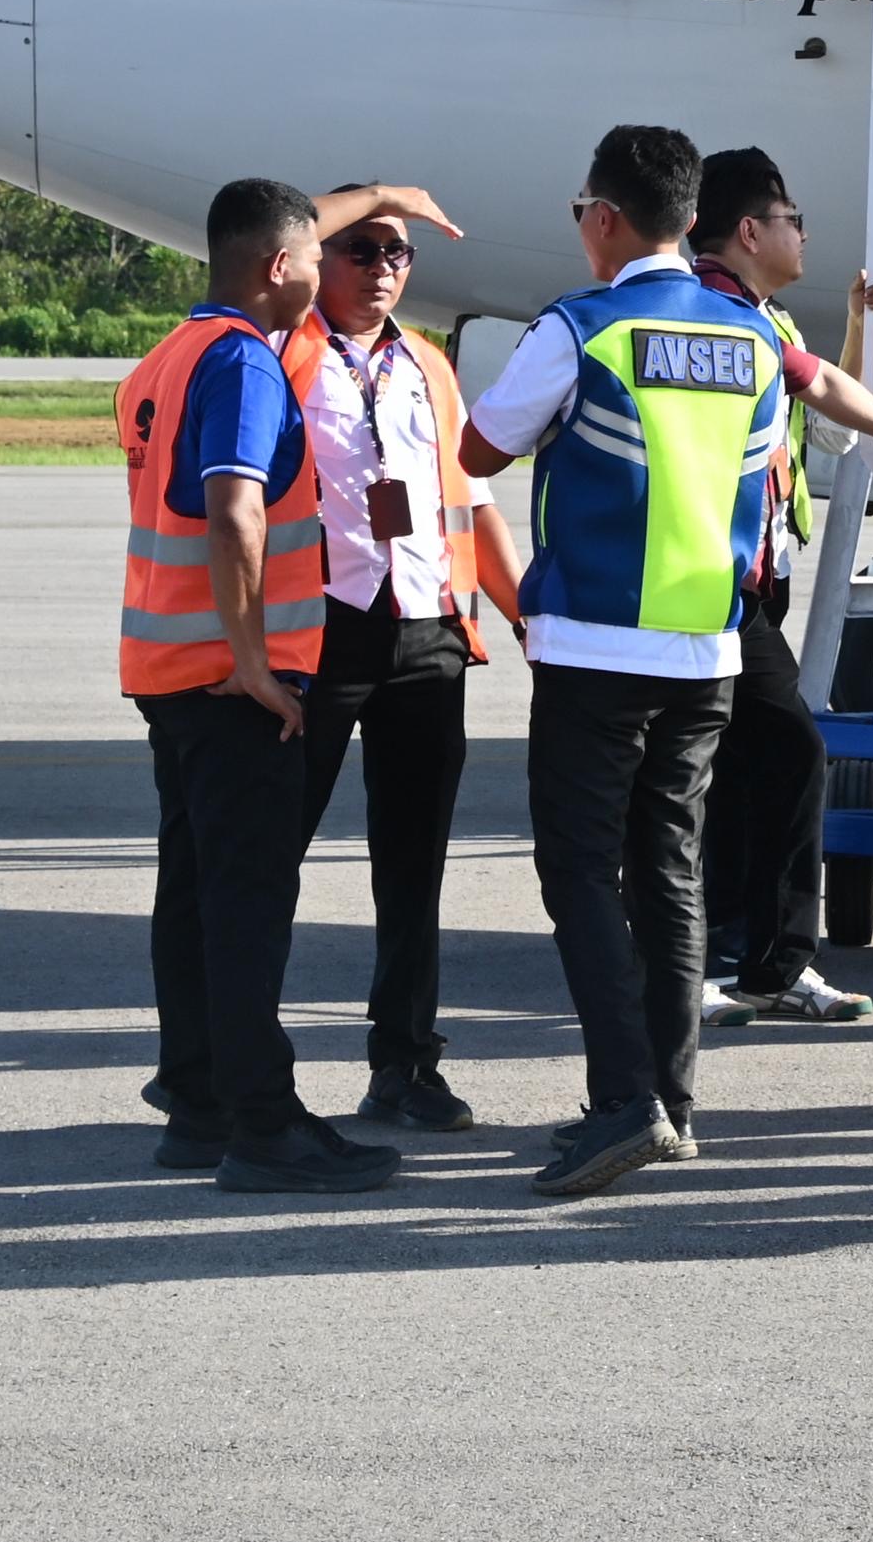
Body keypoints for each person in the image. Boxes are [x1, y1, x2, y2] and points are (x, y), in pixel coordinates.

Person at [459, 126, 790, 1201]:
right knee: (670, 869)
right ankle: (673, 1100)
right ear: (692, 221)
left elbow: (479, 448)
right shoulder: (749, 338)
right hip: (706, 648)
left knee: (578, 869)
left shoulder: (582, 325)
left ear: (602, 217)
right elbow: (761, 477)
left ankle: (620, 1103)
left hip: (596, 641)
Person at [116, 172, 457, 1197]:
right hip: (229, 681)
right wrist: (257, 663)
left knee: (197, 894)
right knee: (248, 907)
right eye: (318, 253)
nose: (334, 266)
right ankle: (262, 1124)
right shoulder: (245, 362)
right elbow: (233, 512)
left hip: (167, 668)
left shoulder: (163, 359)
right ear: (280, 267)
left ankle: (198, 1102)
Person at [687, 144, 873, 1028]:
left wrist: (855, 326)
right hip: (711, 584)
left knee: (743, 768)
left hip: (749, 583)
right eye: (793, 221)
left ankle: (741, 952)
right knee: (788, 754)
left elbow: (826, 434)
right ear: (749, 230)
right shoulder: (711, 317)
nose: (804, 234)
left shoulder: (765, 323)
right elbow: (824, 404)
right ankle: (767, 958)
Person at [286, 191, 524, 1135]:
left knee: (412, 867)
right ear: (317, 257)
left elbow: (475, 506)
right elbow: (278, 230)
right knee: (271, 854)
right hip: (319, 634)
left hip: (424, 635)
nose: (384, 263)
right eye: (364, 246)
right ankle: (245, 1073)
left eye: (399, 252)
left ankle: (405, 1065)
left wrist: (526, 617)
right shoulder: (280, 349)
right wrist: (381, 190)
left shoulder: (429, 364)